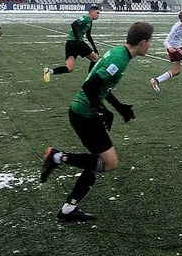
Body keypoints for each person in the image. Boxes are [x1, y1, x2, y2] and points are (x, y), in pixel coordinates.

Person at [40, 22, 154, 222]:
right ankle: (56, 157)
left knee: (96, 162)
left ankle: (68, 209)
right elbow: (91, 86)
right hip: (85, 116)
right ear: (143, 42)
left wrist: (119, 108)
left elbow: (100, 85)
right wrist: (104, 111)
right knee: (109, 163)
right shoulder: (119, 59)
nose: (150, 45)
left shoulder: (119, 52)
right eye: (150, 42)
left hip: (83, 113)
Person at [43, 6, 101, 82]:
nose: (98, 15)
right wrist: (78, 40)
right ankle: (90, 81)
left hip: (70, 43)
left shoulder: (89, 22)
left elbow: (88, 36)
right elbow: (74, 24)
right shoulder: (86, 18)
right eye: (97, 13)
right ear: (91, 12)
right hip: (76, 43)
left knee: (69, 68)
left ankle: (49, 71)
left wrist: (94, 48)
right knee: (95, 58)